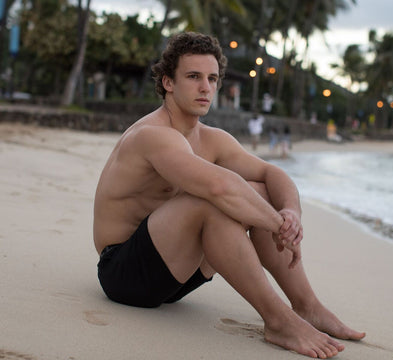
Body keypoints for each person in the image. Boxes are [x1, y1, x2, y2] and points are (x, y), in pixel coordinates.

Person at [94, 32, 365, 359]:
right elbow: (219, 188)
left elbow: (272, 173)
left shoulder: (212, 139)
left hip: (177, 275)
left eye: (212, 78)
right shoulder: (152, 135)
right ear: (168, 82)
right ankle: (278, 321)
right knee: (211, 200)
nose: (205, 87)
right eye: (193, 77)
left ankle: (307, 306)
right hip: (125, 274)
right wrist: (279, 226)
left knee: (258, 189)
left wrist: (292, 214)